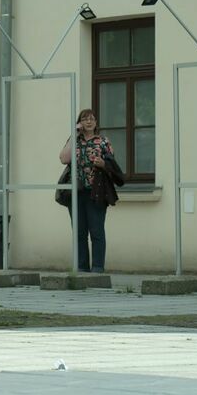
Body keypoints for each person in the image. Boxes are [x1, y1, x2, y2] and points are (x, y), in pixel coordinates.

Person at [59, 109, 123, 273]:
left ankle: (97, 268)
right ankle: (81, 267)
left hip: (97, 191)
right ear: (80, 122)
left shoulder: (103, 142)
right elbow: (64, 159)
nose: (88, 122)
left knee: (96, 231)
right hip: (76, 192)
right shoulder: (75, 141)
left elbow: (113, 165)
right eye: (85, 119)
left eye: (92, 119)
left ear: (96, 123)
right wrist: (74, 133)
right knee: (79, 232)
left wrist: (103, 164)